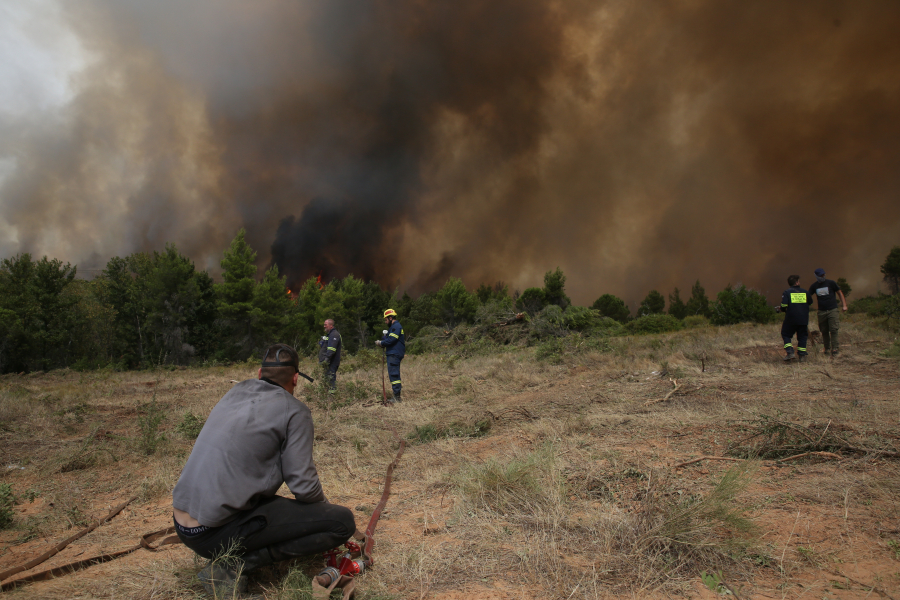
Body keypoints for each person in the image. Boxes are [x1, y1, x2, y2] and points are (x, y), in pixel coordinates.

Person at [172, 344, 355, 598]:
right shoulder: (295, 411)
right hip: (215, 534)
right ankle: (232, 566)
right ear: (295, 379)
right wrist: (323, 511)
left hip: (183, 525)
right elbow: (303, 484)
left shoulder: (236, 391)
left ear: (259, 373)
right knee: (341, 522)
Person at [808, 268, 848, 357]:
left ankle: (835, 349)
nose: (823, 276)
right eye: (820, 275)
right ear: (816, 276)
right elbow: (807, 295)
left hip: (832, 310)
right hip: (821, 311)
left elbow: (840, 293)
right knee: (824, 331)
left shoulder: (831, 283)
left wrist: (844, 305)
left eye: (823, 274)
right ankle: (827, 348)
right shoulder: (814, 286)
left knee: (833, 329)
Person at [780, 275, 813, 363]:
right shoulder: (805, 292)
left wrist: (781, 309)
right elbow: (810, 302)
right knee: (802, 337)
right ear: (797, 282)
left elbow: (784, 305)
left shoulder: (787, 292)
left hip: (791, 319)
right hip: (803, 319)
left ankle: (790, 352)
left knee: (786, 334)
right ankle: (802, 356)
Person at [375, 308, 405, 403]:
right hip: (393, 353)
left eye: (386, 319)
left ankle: (397, 397)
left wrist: (381, 343)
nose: (385, 321)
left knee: (394, 374)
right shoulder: (393, 327)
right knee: (393, 374)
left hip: (394, 354)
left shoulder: (396, 327)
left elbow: (391, 340)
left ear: (391, 318)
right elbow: (390, 339)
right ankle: (396, 395)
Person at [318, 319, 342, 393]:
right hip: (328, 362)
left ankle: (332, 395)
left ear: (331, 326)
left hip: (332, 362)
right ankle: (326, 394)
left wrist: (326, 360)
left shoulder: (334, 334)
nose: (324, 326)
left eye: (326, 325)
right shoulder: (329, 335)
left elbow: (331, 350)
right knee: (327, 378)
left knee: (331, 378)